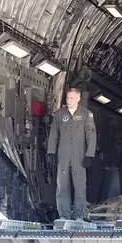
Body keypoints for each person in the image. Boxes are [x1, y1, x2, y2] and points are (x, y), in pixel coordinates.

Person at [47, 88, 97, 220]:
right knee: (62, 185)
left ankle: (79, 215)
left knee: (79, 185)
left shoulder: (86, 114)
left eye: (71, 98)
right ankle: (64, 214)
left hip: (79, 154)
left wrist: (89, 155)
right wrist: (51, 152)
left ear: (79, 98)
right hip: (63, 154)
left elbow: (91, 135)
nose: (68, 100)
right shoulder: (59, 114)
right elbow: (53, 134)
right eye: (67, 98)